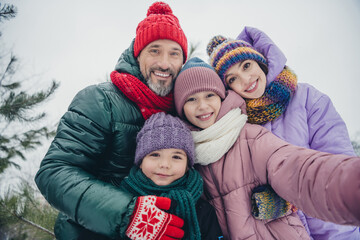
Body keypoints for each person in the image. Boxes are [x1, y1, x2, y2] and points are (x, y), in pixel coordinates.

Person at [34, 2, 189, 239]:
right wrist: (128, 215)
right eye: (155, 50)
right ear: (138, 55)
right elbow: (55, 172)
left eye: (174, 53)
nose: (165, 63)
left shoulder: (184, 109)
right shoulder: (100, 100)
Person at [173, 57, 360, 239]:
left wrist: (350, 184)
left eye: (209, 95)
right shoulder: (186, 159)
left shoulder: (251, 137)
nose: (203, 106)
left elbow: (297, 169)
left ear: (221, 97)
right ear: (181, 108)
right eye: (191, 99)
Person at [121, 112, 223, 239]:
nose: (165, 164)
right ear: (141, 162)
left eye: (176, 157)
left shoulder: (203, 210)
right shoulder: (122, 202)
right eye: (155, 155)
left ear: (187, 166)